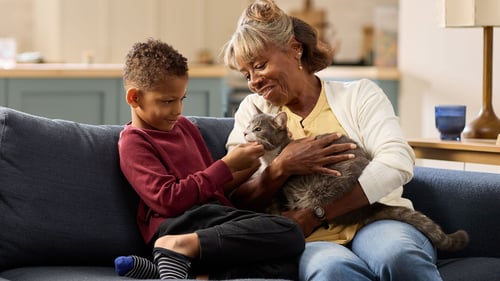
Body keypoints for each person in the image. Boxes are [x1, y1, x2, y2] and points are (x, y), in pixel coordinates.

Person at [222, 0, 443, 280]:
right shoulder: (252, 112)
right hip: (313, 240)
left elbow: (397, 162)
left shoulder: (359, 95)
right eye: (246, 74)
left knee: (397, 254)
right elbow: (234, 196)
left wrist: (317, 213)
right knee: (332, 270)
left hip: (374, 218)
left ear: (294, 49)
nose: (253, 81)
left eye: (260, 66)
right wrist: (281, 167)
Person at [114, 38, 305, 280]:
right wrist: (225, 165)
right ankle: (176, 247)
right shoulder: (134, 142)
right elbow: (167, 200)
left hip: (211, 219)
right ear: (134, 98)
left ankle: (177, 270)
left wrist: (247, 166)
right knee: (290, 231)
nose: (178, 110)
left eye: (182, 99)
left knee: (289, 263)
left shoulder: (184, 127)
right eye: (168, 101)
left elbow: (210, 186)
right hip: (176, 223)